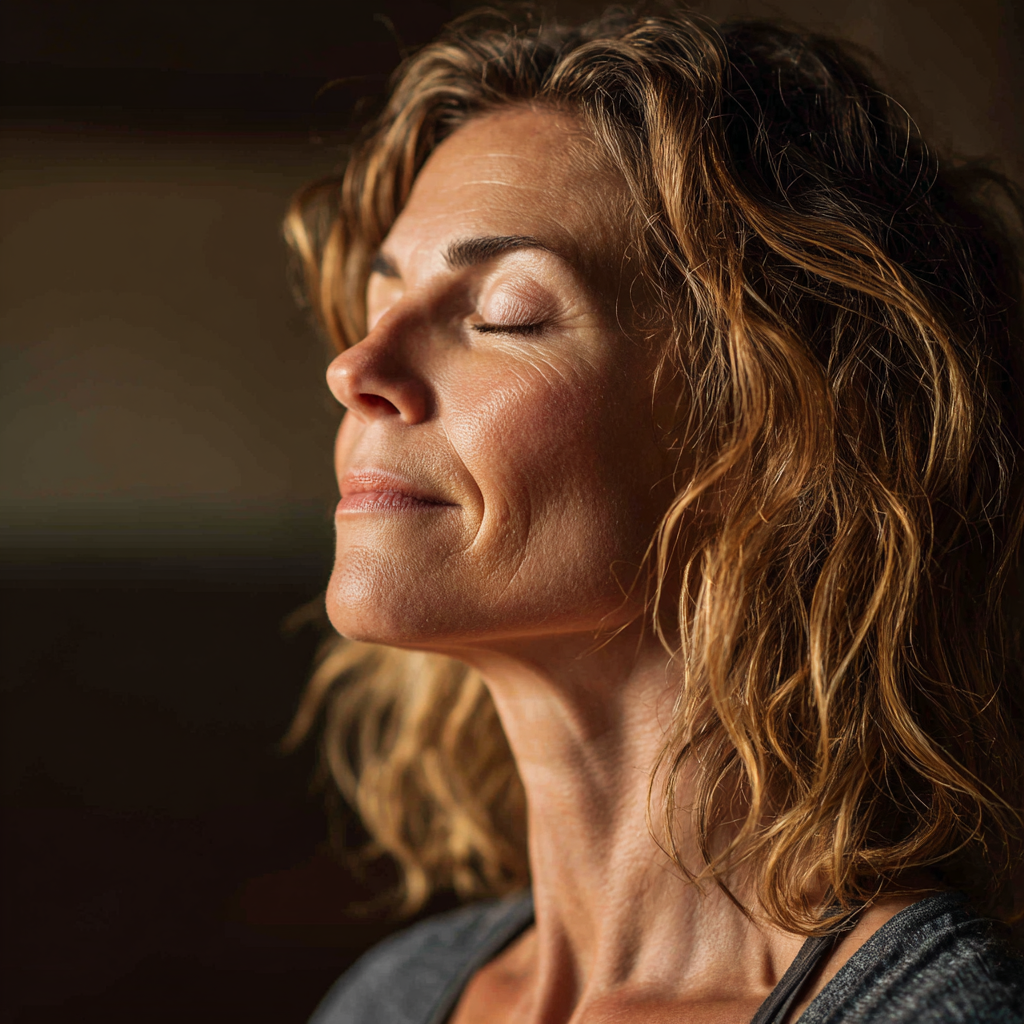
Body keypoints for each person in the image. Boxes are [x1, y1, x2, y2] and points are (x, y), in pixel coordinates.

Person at [284, 6, 1024, 1022]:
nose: (353, 369)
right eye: (378, 309)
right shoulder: (392, 997)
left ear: (771, 430)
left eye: (504, 313)